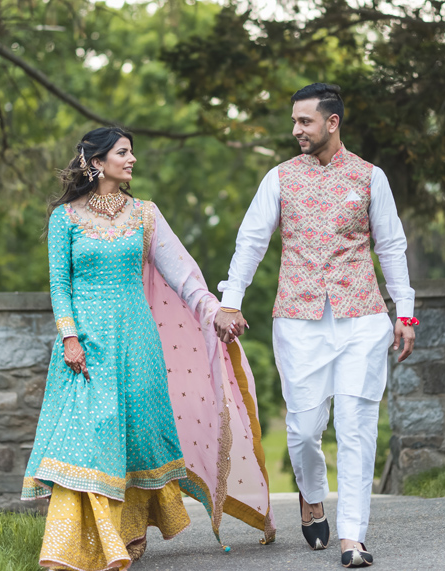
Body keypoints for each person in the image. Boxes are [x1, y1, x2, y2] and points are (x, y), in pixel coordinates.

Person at [23, 126, 275, 571]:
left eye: (132, 152)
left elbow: (182, 273)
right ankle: (69, 547)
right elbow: (59, 283)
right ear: (96, 162)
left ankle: (125, 537)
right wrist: (69, 337)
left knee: (135, 437)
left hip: (138, 342)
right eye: (123, 152)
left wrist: (215, 310)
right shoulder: (65, 218)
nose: (132, 159)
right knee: (91, 438)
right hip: (86, 345)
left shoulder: (145, 215)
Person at [214, 84, 417, 568]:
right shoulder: (280, 179)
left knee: (355, 426)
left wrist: (404, 312)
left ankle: (353, 538)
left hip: (362, 317)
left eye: (304, 121)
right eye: (294, 121)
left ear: (332, 122)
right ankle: (311, 494)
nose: (295, 130)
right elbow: (251, 242)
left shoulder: (370, 177)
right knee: (305, 431)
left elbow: (391, 247)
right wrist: (230, 301)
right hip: (298, 320)